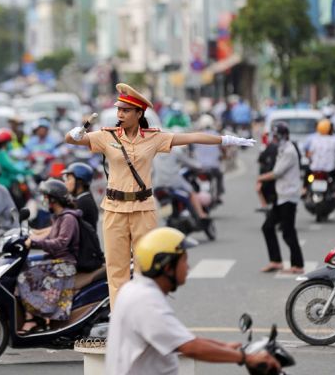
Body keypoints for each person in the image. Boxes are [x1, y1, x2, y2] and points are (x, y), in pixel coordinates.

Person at [65, 83, 255, 308]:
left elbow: (191, 137)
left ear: (139, 113)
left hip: (143, 209)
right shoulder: (107, 137)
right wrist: (74, 133)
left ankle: (146, 314)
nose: (120, 114)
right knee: (117, 271)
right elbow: (73, 140)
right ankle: (120, 321)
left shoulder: (153, 138)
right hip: (114, 209)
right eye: (119, 110)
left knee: (148, 266)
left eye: (126, 110)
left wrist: (226, 140)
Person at [106, 227, 280, 375]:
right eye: (184, 260)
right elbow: (190, 347)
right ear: (167, 267)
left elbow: (179, 338)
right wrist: (246, 358)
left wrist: (224, 346)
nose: (188, 267)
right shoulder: (145, 302)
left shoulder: (135, 290)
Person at [17, 179, 80, 334]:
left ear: (53, 199)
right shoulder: (59, 217)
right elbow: (49, 236)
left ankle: (32, 319)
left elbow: (60, 243)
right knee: (24, 265)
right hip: (55, 259)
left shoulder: (68, 218)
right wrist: (32, 237)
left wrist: (34, 243)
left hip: (65, 264)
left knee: (24, 277)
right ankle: (35, 315)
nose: (44, 201)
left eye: (46, 197)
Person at [257, 123, 305, 274]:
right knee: (267, 227)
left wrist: (260, 178)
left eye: (276, 136)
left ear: (283, 136)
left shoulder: (289, 151)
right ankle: (276, 261)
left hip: (289, 196)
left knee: (288, 231)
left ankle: (298, 265)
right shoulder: (282, 149)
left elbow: (276, 172)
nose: (274, 139)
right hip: (282, 195)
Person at [152, 145, 210, 222]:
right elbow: (188, 163)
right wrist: (200, 167)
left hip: (158, 185)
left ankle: (167, 218)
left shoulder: (154, 153)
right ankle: (201, 214)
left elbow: (152, 171)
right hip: (174, 182)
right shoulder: (175, 151)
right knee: (191, 191)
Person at [305, 119, 335, 196]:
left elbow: (309, 154)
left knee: (307, 174)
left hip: (315, 168)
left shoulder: (315, 138)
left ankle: (304, 189)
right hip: (330, 169)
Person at [192, 114, 225, 202]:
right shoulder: (216, 135)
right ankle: (218, 195)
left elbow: (191, 151)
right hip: (213, 167)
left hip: (199, 167)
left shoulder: (196, 135)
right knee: (219, 176)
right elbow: (222, 149)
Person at [62, 162, 98, 228]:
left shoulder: (84, 202)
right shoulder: (83, 198)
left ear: (79, 181)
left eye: (69, 179)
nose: (65, 182)